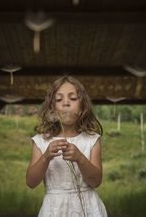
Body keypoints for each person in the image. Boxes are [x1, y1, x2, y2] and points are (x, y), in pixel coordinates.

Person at [26, 75, 108, 217]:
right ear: (52, 106)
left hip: (88, 209)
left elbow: (96, 181)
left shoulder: (92, 139)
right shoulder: (41, 141)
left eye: (73, 98)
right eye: (59, 99)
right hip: (54, 210)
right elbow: (31, 182)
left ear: (83, 104)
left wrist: (80, 158)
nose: (66, 103)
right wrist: (45, 157)